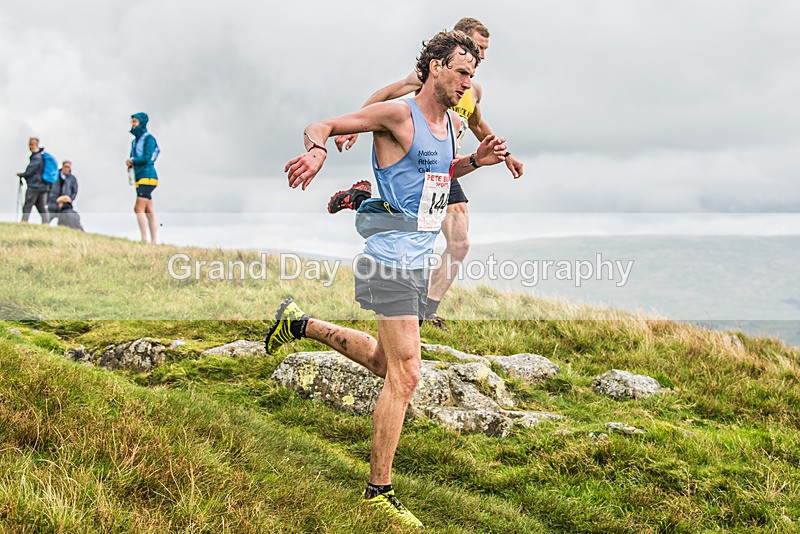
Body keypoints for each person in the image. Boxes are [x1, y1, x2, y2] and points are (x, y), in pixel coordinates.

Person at [268, 30, 507, 529]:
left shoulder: (448, 126)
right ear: (436, 67)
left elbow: (436, 177)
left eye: (473, 74)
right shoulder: (399, 114)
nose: (468, 82)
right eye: (462, 72)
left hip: (416, 261)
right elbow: (322, 124)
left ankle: (298, 323)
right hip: (389, 260)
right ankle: (378, 491)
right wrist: (317, 150)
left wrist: (474, 163)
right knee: (408, 374)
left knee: (384, 363)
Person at [328, 18, 524, 331]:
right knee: (420, 226)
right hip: (419, 162)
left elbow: (477, 124)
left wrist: (505, 154)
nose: (483, 55)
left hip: (448, 166)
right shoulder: (425, 76)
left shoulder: (473, 90)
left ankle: (426, 309)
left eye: (485, 50)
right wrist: (354, 127)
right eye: (478, 47)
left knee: (458, 243)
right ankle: (364, 203)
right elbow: (384, 95)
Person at [126, 112, 160, 243]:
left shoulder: (149, 139)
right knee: (149, 210)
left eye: (135, 122)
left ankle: (144, 239)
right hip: (139, 176)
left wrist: (133, 161)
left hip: (148, 177)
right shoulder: (134, 142)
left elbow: (147, 157)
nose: (133, 124)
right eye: (132, 122)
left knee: (138, 208)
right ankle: (154, 241)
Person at [16, 137, 50, 224]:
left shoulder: (36, 157)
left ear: (36, 145)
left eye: (32, 144)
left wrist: (23, 175)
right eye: (29, 144)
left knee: (28, 205)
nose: (30, 146)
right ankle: (46, 223)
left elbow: (30, 171)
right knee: (41, 207)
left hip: (34, 186)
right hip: (42, 186)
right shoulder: (40, 156)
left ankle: (24, 222)